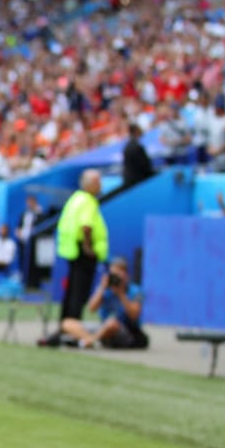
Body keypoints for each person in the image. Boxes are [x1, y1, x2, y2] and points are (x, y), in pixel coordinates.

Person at [42, 169, 107, 347]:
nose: (101, 185)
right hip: (82, 253)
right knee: (79, 294)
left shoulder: (75, 199)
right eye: (99, 181)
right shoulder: (88, 201)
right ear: (91, 184)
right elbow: (86, 226)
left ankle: (66, 327)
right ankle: (72, 330)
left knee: (72, 293)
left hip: (72, 252)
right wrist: (88, 247)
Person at [62, 255, 147, 349]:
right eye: (113, 274)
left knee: (112, 323)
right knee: (67, 323)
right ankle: (90, 340)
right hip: (103, 328)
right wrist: (102, 287)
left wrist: (121, 293)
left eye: (118, 274)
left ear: (126, 275)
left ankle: (90, 340)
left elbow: (134, 315)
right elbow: (91, 308)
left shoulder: (135, 291)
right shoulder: (105, 289)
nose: (115, 278)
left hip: (125, 330)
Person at [122, 122, 155, 188]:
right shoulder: (137, 147)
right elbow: (144, 165)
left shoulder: (127, 146)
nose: (141, 130)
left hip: (130, 180)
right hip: (138, 181)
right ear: (136, 131)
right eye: (140, 129)